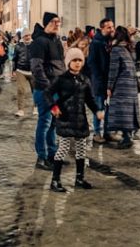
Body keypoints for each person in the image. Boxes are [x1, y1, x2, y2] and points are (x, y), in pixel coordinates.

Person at [44, 47, 101, 192]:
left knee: (81, 150)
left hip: (80, 120)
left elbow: (90, 99)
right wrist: (54, 107)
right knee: (62, 149)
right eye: (74, 60)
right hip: (65, 118)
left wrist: (97, 111)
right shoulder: (61, 79)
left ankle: (79, 178)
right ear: (68, 62)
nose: (77, 63)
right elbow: (48, 93)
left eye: (80, 60)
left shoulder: (84, 80)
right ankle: (55, 181)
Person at [30, 12, 65, 168]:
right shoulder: (39, 42)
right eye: (53, 21)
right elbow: (36, 68)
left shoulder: (56, 41)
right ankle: (41, 157)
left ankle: (52, 154)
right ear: (46, 24)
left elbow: (60, 66)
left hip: (57, 88)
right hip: (45, 90)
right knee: (44, 123)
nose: (57, 24)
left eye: (58, 21)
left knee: (53, 124)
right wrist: (48, 86)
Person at [106, 26, 140, 148]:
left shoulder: (116, 50)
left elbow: (113, 70)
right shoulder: (128, 49)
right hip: (130, 85)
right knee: (128, 112)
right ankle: (128, 135)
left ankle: (127, 138)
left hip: (121, 85)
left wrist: (109, 87)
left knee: (122, 112)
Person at [86, 18, 114, 142]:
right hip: (99, 81)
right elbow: (91, 62)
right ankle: (97, 133)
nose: (112, 29)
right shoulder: (96, 42)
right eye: (109, 27)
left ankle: (107, 131)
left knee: (108, 107)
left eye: (112, 26)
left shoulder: (110, 41)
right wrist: (98, 77)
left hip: (109, 80)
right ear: (102, 28)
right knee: (99, 108)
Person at [12, 31, 33, 117]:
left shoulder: (35, 45)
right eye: (25, 35)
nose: (27, 37)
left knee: (35, 91)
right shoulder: (18, 46)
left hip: (33, 71)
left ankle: (36, 107)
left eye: (28, 35)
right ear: (22, 37)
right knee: (20, 90)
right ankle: (20, 110)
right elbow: (15, 59)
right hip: (21, 70)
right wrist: (13, 70)